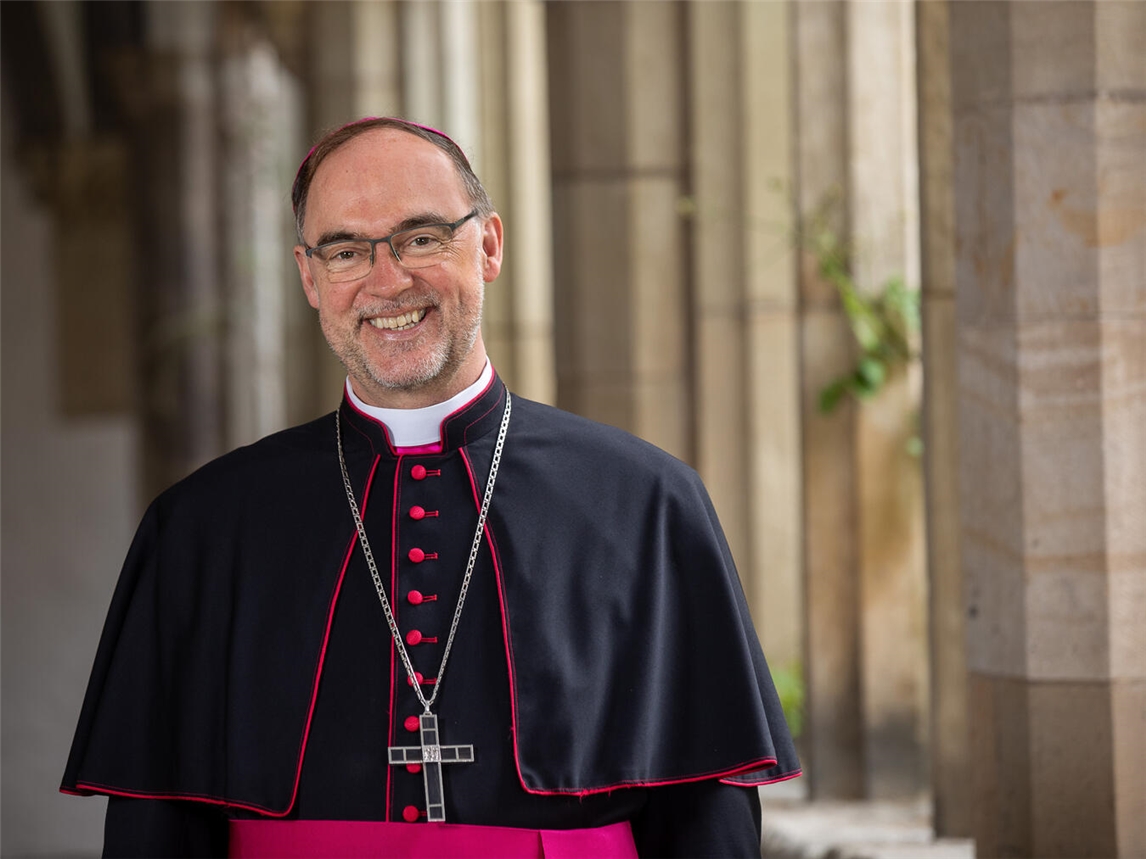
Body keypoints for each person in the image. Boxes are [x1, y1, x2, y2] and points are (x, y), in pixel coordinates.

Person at [62, 117, 800, 858]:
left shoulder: (647, 506)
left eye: (421, 238)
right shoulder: (203, 529)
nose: (388, 281)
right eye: (346, 250)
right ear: (310, 278)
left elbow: (708, 824)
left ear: (489, 245)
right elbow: (153, 832)